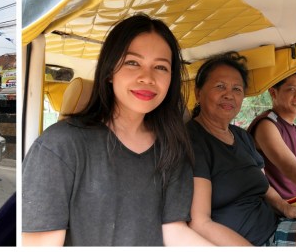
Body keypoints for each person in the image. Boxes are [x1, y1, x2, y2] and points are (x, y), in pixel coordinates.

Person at [22, 14, 211, 246]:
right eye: (133, 62)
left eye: (161, 67)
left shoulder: (172, 148)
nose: (147, 78)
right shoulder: (60, 146)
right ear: (110, 70)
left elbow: (173, 229)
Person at [186, 52, 296, 246]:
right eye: (220, 86)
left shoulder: (241, 136)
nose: (229, 94)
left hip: (272, 224)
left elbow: (264, 185)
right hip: (245, 241)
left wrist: (286, 208)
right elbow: (200, 223)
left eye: (237, 89)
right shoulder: (193, 141)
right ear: (198, 93)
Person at [248, 68, 296, 199]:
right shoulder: (267, 125)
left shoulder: (291, 127)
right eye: (292, 89)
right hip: (279, 210)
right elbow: (291, 168)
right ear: (273, 93)